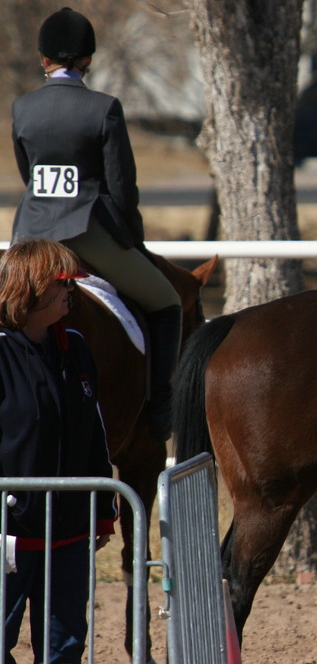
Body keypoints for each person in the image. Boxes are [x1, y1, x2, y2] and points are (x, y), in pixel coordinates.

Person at [10, 7, 181, 441]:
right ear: (88, 60)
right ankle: (162, 407)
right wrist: (133, 244)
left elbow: (30, 174)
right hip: (85, 232)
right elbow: (122, 188)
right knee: (166, 303)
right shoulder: (103, 108)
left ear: (42, 58)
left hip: (29, 234)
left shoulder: (23, 108)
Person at [0, 240, 117, 664]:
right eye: (63, 281)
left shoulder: (77, 348)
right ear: (31, 288)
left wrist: (103, 510)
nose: (73, 289)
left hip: (68, 531)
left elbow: (93, 437)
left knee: (65, 646)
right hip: (8, 533)